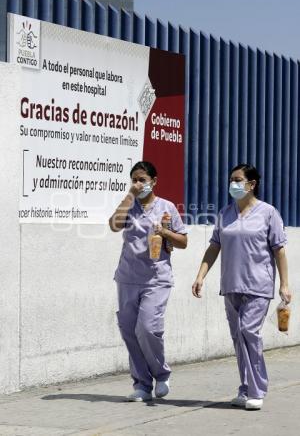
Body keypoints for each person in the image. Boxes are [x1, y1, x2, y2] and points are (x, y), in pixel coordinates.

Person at [192, 164, 292, 410]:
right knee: (238, 338)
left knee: (249, 332)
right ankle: (245, 388)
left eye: (238, 180)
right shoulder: (225, 214)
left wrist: (285, 284)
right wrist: (200, 275)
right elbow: (214, 246)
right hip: (231, 284)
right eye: (231, 180)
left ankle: (257, 390)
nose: (233, 184)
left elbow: (279, 249)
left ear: (252, 184)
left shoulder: (268, 213)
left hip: (258, 284)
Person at [109, 161, 187, 402]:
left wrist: (165, 233)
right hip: (128, 277)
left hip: (156, 277)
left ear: (154, 181)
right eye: (134, 179)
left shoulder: (167, 208)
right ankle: (142, 384)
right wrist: (129, 196)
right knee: (129, 330)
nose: (138, 183)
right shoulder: (128, 206)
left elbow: (183, 241)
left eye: (143, 179)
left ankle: (161, 374)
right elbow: (113, 225)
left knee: (147, 327)